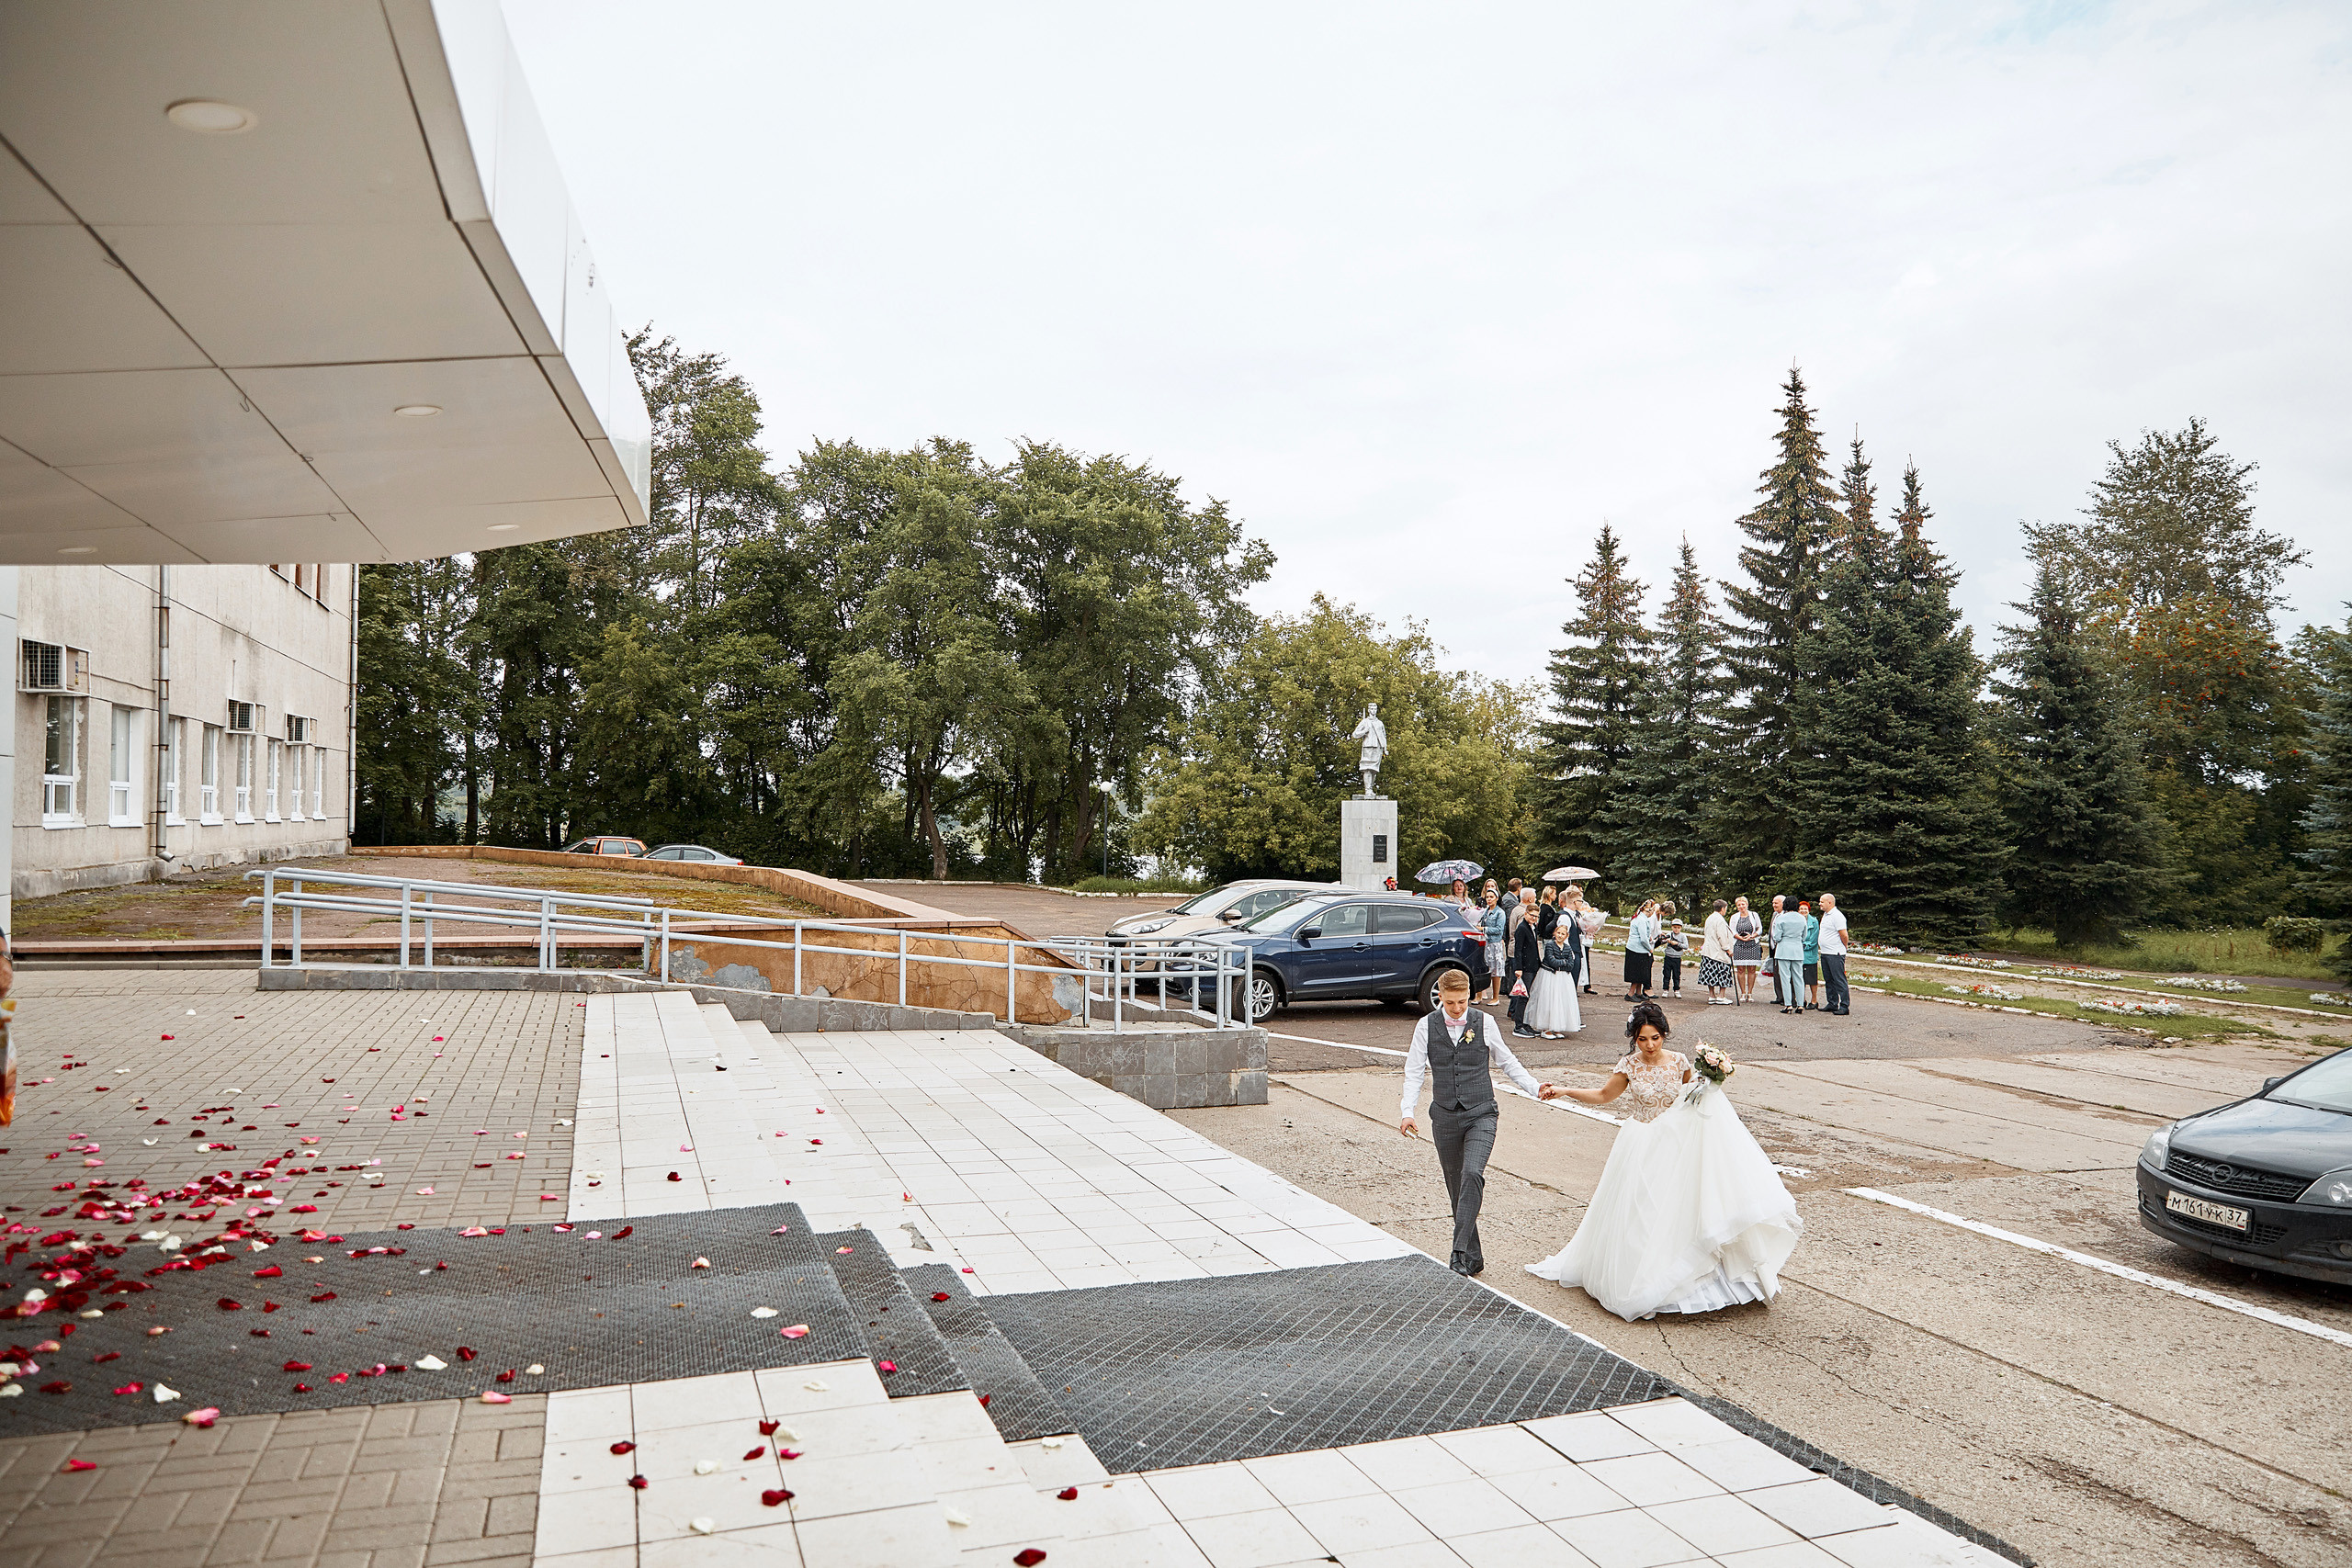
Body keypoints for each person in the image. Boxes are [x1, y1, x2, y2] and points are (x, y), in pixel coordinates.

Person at [1525, 1002, 1804, 1320]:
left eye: (1655, 1038)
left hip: (1676, 1145)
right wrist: (1564, 1090)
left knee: (1679, 1212)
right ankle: (1641, 1278)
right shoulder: (1628, 1066)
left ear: (1664, 1035)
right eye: (1642, 1039)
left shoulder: (1681, 1062)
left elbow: (1692, 1099)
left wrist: (1710, 1083)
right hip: (1642, 1143)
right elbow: (1604, 1095)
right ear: (1634, 1038)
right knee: (1643, 1212)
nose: (1649, 1046)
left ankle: (1691, 1279)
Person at [1400, 970, 1559, 1275]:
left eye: (1462, 1002)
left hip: (1481, 1113)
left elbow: (1506, 1060)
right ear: (1441, 998)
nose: (1457, 1009)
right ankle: (1473, 1257)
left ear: (1470, 995)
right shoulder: (1426, 1026)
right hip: (1444, 1116)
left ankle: (1457, 1251)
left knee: (1472, 1173)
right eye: (1450, 1003)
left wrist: (1533, 1086)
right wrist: (1408, 1111)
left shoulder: (1484, 1022)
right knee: (1456, 1186)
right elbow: (1414, 1071)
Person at [1526, 904, 1584, 1038]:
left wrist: (1562, 964)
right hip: (1550, 976)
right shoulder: (1550, 945)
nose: (1560, 935)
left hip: (1563, 978)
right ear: (1554, 933)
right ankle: (1546, 1028)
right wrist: (1562, 963)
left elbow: (1571, 964)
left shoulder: (1568, 948)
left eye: (1563, 934)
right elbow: (1551, 961)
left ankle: (1557, 1027)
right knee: (1549, 1000)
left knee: (1561, 1001)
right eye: (1558, 933)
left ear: (1566, 935)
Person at [1506, 891, 1544, 1037]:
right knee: (1522, 997)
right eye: (1531, 915)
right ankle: (1518, 1026)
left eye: (1536, 916)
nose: (1533, 918)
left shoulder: (1532, 927)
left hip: (1533, 966)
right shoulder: (1522, 928)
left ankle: (1526, 1024)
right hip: (1525, 968)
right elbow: (1518, 950)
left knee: (1528, 997)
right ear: (1526, 914)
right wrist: (1518, 968)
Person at [1770, 894, 1806, 1016]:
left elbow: (1777, 936)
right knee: (1798, 977)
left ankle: (1788, 1004)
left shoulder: (1781, 918)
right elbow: (1804, 936)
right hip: (1797, 949)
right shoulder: (1802, 918)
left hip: (1784, 949)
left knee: (1785, 977)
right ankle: (1800, 1004)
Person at [1818, 893, 1850, 1016]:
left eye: (1822, 902)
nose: (1820, 904)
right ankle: (1832, 1002)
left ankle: (1844, 1005)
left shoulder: (1837, 916)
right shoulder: (1826, 915)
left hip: (1835, 953)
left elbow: (1843, 934)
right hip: (1826, 952)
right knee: (1829, 979)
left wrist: (1844, 946)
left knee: (1838, 979)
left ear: (1830, 902)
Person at [1699, 899, 1736, 1005]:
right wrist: (1728, 949)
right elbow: (1722, 936)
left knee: (1711, 973)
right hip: (1718, 951)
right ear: (1723, 908)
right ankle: (1721, 996)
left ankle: (1712, 995)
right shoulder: (1720, 920)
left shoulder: (1710, 918)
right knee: (1722, 972)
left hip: (1709, 950)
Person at [1729, 896, 1762, 1004]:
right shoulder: (1734, 917)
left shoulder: (1754, 915)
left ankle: (1750, 993)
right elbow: (1732, 930)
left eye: (1743, 904)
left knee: (1752, 969)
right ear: (1737, 906)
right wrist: (1740, 937)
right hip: (1739, 944)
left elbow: (1760, 928)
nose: (1741, 906)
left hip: (1752, 944)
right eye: (1739, 905)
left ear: (1747, 905)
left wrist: (1751, 936)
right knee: (1740, 970)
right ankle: (1743, 992)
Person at [1477, 886, 1508, 1003]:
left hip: (1495, 944)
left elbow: (1499, 930)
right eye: (1487, 897)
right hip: (1485, 943)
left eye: (1491, 897)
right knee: (1483, 968)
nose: (1489, 899)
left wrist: (1483, 929)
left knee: (1496, 971)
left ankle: (1495, 997)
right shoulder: (1485, 911)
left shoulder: (1500, 912)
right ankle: (1479, 996)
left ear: (1496, 898)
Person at [1623, 898, 1656, 1001]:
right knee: (1637, 973)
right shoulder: (1641, 920)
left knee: (1642, 973)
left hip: (1638, 949)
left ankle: (1638, 992)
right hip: (1637, 949)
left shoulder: (1641, 918)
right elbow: (1643, 938)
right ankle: (1630, 993)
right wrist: (1649, 948)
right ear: (1649, 911)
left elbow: (1646, 934)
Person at [1656, 902, 1687, 998]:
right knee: (1666, 974)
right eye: (1674, 927)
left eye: (1678, 928)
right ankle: (1665, 989)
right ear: (1672, 927)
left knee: (1677, 975)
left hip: (1677, 958)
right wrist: (1665, 940)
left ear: (1681, 928)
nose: (1676, 929)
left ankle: (1677, 990)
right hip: (1668, 957)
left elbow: (1686, 946)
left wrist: (1677, 943)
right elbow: (1663, 941)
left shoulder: (1682, 936)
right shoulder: (1669, 934)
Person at [1800, 900, 1821, 1010]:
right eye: (1801, 909)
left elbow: (1814, 939)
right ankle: (1801, 999)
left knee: (1812, 979)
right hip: (1799, 955)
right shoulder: (1797, 921)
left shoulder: (1814, 922)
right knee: (1800, 979)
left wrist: (1803, 946)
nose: (1803, 911)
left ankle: (1814, 1000)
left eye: (1805, 909)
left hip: (1810, 954)